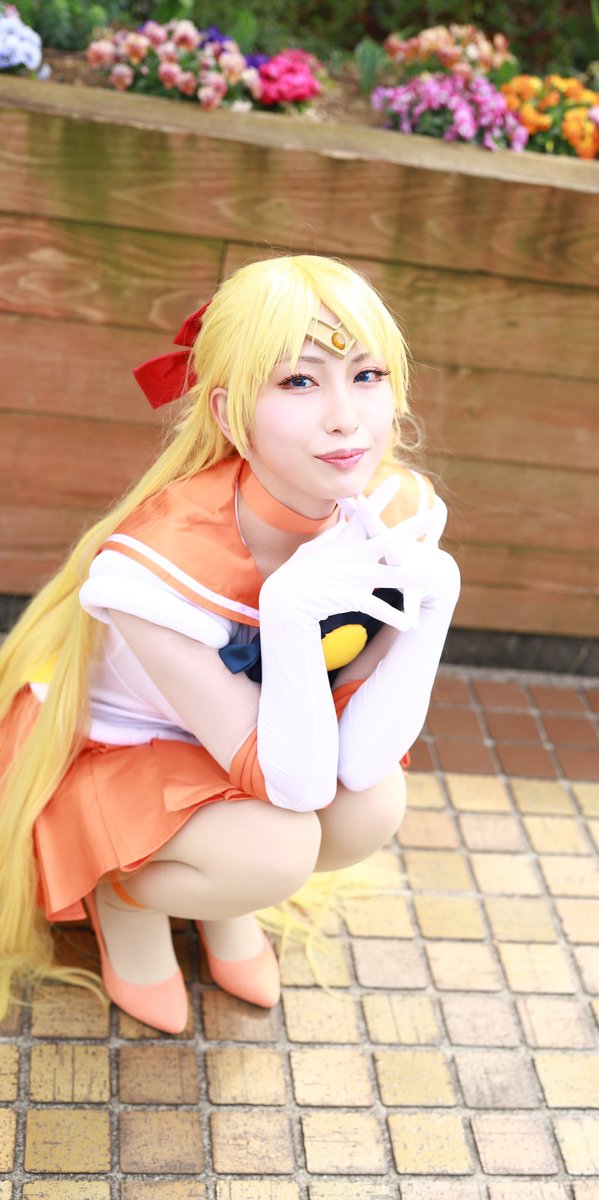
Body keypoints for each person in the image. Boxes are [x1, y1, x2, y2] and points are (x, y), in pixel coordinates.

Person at [0, 255, 460, 1033]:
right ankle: (125, 894)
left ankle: (221, 899)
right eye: (299, 381)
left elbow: (356, 760)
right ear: (230, 412)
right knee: (276, 849)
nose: (346, 418)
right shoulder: (158, 567)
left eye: (367, 375)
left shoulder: (392, 509)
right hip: (119, 753)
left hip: (254, 740)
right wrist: (288, 608)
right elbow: (288, 783)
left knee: (371, 806)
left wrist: (437, 605)